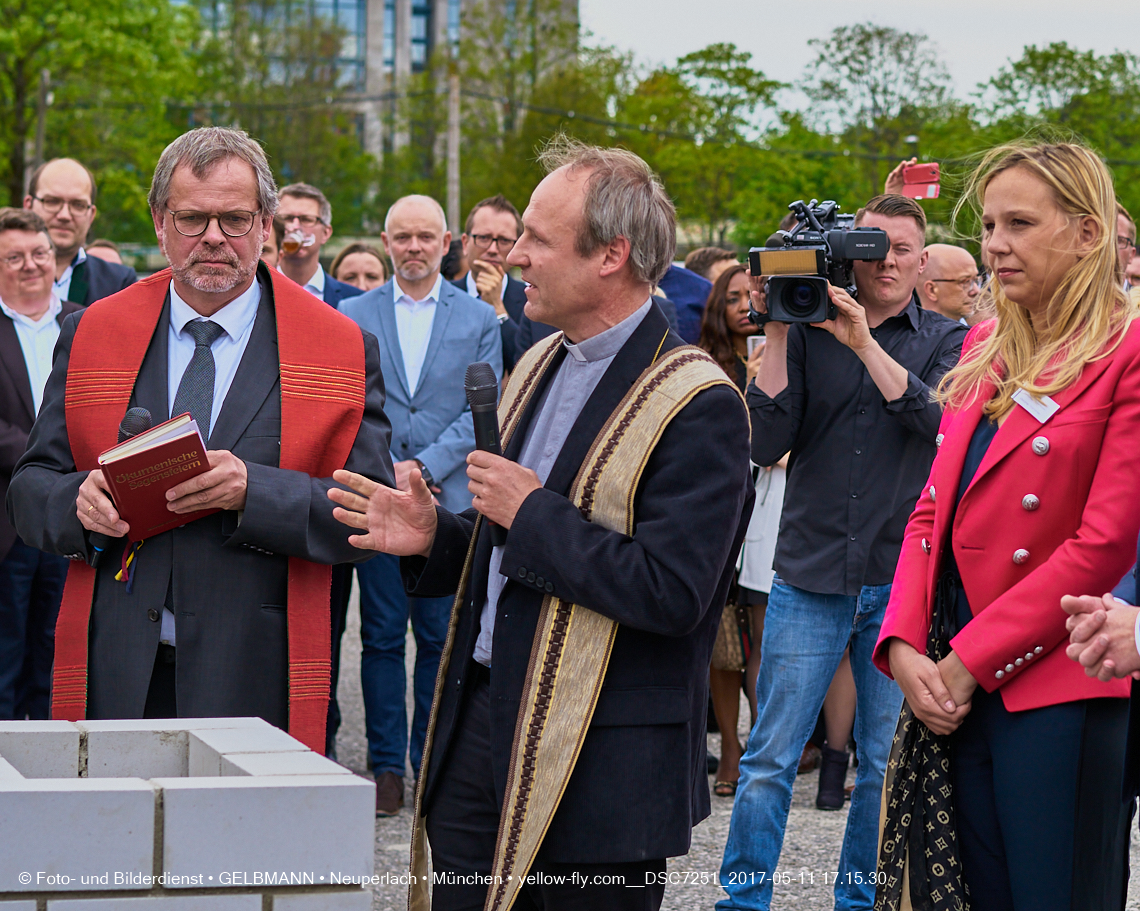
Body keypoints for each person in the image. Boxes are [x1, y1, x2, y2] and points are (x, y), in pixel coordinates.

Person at [331, 139, 753, 911]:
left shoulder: (701, 401)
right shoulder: (537, 362)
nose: (513, 254)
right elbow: (505, 548)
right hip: (481, 726)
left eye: (537, 238)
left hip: (599, 766)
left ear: (611, 255)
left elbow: (674, 593)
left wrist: (531, 510)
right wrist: (435, 536)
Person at [6, 127, 394, 753]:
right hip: (117, 670)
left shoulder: (340, 347)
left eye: (234, 219)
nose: (214, 237)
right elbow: (29, 489)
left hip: (256, 673)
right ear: (161, 222)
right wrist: (76, 501)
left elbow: (368, 515)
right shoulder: (93, 333)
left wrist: (253, 492)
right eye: (192, 218)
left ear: (264, 224)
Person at [875, 142, 1140, 911]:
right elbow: (932, 509)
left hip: (1059, 685)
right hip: (956, 677)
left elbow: (1103, 546)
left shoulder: (1127, 350)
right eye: (990, 225)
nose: (995, 244)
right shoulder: (986, 343)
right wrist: (903, 643)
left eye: (1020, 223)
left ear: (1087, 233)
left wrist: (966, 663)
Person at [719, 193, 967, 911]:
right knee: (769, 756)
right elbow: (766, 442)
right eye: (872, 246)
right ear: (848, 254)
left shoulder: (949, 339)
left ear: (922, 261)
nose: (885, 262)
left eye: (901, 249)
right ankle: (742, 900)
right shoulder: (805, 329)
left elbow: (939, 425)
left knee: (884, 761)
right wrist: (777, 330)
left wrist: (861, 342)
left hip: (901, 579)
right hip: (811, 570)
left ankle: (860, 902)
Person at [338, 194, 502, 817]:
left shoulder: (478, 317)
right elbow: (347, 402)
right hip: (377, 500)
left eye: (425, 237)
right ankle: (385, 767)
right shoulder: (352, 312)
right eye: (402, 237)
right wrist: (388, 471)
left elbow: (481, 405)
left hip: (447, 505)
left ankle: (430, 762)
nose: (413, 247)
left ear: (446, 242)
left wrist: (425, 466)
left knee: (440, 639)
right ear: (385, 242)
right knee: (380, 638)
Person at [0, 209, 82, 720]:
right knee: (4, 655)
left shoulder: (87, 322)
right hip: (5, 525)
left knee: (57, 657)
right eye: (15, 257)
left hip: (71, 516)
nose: (31, 265)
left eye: (40, 253)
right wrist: (45, 450)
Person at [698, 263, 763, 797]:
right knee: (722, 644)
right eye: (733, 297)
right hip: (719, 512)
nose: (745, 306)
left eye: (752, 296)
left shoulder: (787, 354)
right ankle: (729, 747)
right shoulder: (703, 365)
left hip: (772, 514)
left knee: (764, 639)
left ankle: (764, 743)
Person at [24, 158, 137, 305]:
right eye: (52, 201)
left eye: (78, 205)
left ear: (91, 215)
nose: (64, 215)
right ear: (28, 206)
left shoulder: (119, 284)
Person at [450, 195, 528, 372]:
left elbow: (529, 369)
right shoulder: (443, 296)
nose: (493, 249)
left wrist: (498, 310)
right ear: (465, 243)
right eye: (484, 238)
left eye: (504, 241)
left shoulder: (531, 302)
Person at [276, 182, 363, 309]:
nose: (295, 227)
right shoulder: (256, 290)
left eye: (306, 219)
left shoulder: (354, 299)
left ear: (326, 233)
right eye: (287, 218)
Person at [918, 244, 981, 324]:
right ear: (932, 290)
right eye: (964, 281)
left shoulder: (978, 329)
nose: (976, 290)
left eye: (975, 280)